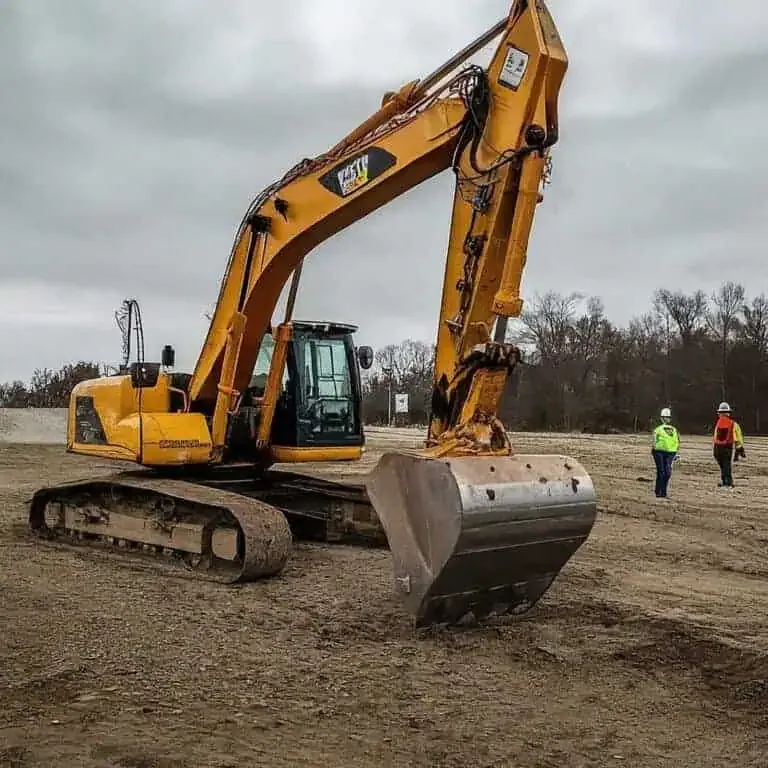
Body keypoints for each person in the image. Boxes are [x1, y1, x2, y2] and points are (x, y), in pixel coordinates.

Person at [712, 401, 745, 488]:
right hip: (727, 447)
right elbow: (738, 437)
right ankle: (728, 482)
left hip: (717, 448)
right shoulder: (733, 424)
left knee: (722, 465)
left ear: (719, 413)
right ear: (728, 413)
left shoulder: (718, 423)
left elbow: (715, 436)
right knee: (727, 465)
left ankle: (724, 481)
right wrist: (739, 448)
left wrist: (715, 448)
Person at [651, 406, 680, 498]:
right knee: (661, 471)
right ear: (662, 418)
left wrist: (675, 452)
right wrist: (654, 449)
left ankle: (662, 491)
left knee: (667, 472)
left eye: (668, 417)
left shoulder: (674, 430)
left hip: (670, 453)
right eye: (665, 417)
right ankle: (659, 492)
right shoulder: (658, 429)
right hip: (659, 452)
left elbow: (676, 441)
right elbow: (654, 441)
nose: (666, 419)